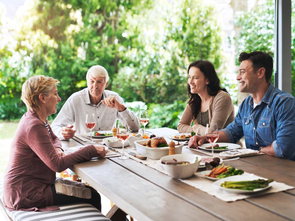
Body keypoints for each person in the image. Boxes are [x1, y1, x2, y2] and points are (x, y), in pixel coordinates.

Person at [3, 75, 106, 211]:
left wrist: (58, 148)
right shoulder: (34, 125)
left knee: (91, 192)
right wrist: (91, 150)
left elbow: (55, 138)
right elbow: (57, 165)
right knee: (92, 196)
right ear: (43, 98)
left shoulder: (38, 119)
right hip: (26, 193)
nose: (59, 99)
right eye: (55, 94)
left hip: (31, 187)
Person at [189, 52, 295, 161]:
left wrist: (257, 151)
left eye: (242, 72)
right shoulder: (246, 104)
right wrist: (205, 139)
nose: (238, 77)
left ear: (260, 73)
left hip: (282, 172)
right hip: (254, 167)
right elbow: (232, 132)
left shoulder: (284, 103)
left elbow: (283, 148)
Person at [52, 65, 140, 140]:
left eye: (99, 81)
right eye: (92, 81)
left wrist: (121, 108)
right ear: (87, 82)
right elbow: (55, 126)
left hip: (109, 147)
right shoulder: (76, 100)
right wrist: (63, 132)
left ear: (106, 84)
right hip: (83, 147)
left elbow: (135, 127)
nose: (95, 86)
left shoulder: (114, 98)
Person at [177, 60, 235, 135]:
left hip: (225, 146)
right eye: (189, 77)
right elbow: (181, 126)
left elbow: (213, 133)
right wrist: (196, 130)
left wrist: (196, 128)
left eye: (195, 78)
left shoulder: (222, 98)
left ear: (207, 80)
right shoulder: (195, 99)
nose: (190, 82)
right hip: (203, 146)